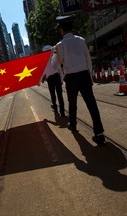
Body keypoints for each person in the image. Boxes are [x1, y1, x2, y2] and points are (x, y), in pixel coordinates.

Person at [55, 15, 105, 145]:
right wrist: (90, 76)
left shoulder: (59, 45)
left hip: (71, 78)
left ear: (61, 29)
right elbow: (88, 59)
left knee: (72, 103)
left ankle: (73, 124)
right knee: (92, 104)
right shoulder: (81, 40)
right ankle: (99, 133)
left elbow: (60, 62)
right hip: (84, 75)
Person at [41, 46, 65, 116]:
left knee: (53, 94)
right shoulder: (55, 56)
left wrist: (41, 80)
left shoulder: (44, 59)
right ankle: (62, 112)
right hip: (56, 77)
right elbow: (59, 69)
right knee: (59, 95)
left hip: (50, 79)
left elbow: (44, 72)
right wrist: (61, 79)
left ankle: (55, 106)